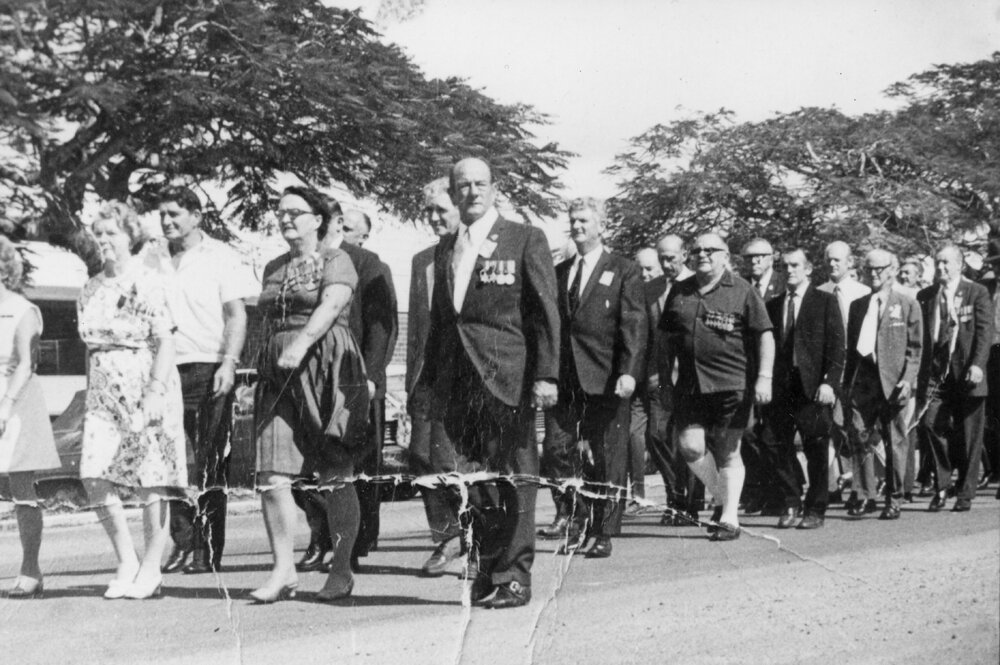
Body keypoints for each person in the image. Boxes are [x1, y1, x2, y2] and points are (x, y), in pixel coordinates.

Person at [418, 157, 560, 609]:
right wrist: (427, 384)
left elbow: (544, 314)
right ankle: (486, 567)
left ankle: (514, 576)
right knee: (471, 480)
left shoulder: (524, 238)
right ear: (454, 193)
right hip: (459, 381)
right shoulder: (446, 248)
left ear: (495, 189)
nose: (473, 192)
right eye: (464, 186)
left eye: (481, 184)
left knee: (516, 475)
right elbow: (445, 323)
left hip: (507, 379)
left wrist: (546, 375)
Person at [251, 185, 369, 603]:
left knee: (335, 473)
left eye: (294, 212)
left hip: (326, 364)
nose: (284, 219)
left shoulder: (337, 259)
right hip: (278, 373)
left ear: (317, 219)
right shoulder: (274, 266)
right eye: (280, 212)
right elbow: (264, 320)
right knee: (271, 474)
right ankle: (283, 569)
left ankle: (340, 569)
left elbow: (333, 305)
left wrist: (300, 344)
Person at [77, 201, 187, 600]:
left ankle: (152, 567)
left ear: (130, 236)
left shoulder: (148, 279)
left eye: (112, 233)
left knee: (150, 479)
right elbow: (91, 347)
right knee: (93, 475)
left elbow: (165, 340)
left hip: (146, 383)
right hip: (104, 391)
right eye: (99, 233)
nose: (104, 240)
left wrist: (156, 391)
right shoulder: (90, 287)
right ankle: (126, 560)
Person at [292, 202, 396, 574]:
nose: (342, 231)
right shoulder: (307, 259)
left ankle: (349, 548)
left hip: (355, 376)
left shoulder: (368, 264)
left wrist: (371, 375)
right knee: (306, 470)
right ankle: (320, 536)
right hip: (312, 376)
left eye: (350, 228)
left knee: (354, 468)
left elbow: (382, 328)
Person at [157, 186, 256, 576]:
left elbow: (236, 315)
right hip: (164, 369)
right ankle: (183, 542)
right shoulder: (150, 257)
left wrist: (228, 364)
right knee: (169, 462)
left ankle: (208, 549)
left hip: (208, 367)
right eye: (162, 214)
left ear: (196, 216)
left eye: (175, 213)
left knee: (211, 461)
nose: (166, 221)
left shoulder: (221, 257)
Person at [542, 198, 645, 559]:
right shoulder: (560, 271)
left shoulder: (623, 269)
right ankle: (578, 516)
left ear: (602, 225)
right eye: (573, 220)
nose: (577, 226)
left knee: (607, 457)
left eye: (584, 220)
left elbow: (633, 325)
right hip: (566, 380)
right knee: (557, 451)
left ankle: (604, 530)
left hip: (606, 379)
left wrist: (629, 372)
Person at [660, 233, 774, 541]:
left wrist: (764, 377)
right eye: (696, 250)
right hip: (690, 386)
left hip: (731, 384)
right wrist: (663, 381)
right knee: (690, 446)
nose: (703, 255)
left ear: (726, 256)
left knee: (727, 449)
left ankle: (730, 518)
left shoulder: (743, 290)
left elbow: (764, 335)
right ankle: (724, 497)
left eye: (711, 250)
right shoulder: (680, 291)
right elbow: (666, 340)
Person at [759, 248, 844, 529]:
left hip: (813, 388)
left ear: (808, 269)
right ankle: (791, 500)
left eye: (795, 265)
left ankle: (816, 508)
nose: (789, 271)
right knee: (772, 442)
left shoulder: (824, 301)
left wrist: (829, 383)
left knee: (816, 447)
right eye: (785, 267)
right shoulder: (772, 305)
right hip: (781, 388)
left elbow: (837, 347)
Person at [407, 178, 462, 576]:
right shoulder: (421, 260)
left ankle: (479, 541)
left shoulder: (479, 253)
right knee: (422, 456)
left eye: (441, 209)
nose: (433, 217)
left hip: (470, 375)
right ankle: (446, 538)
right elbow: (417, 329)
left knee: (459, 460)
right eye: (428, 211)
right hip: (428, 376)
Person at [0, 238, 61, 598]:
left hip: (16, 398)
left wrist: (6, 404)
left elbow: (26, 362)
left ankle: (30, 569)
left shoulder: (22, 309)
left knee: (22, 487)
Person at [843, 249, 922, 520]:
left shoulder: (907, 303)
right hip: (863, 382)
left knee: (894, 441)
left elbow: (916, 348)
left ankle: (895, 497)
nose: (873, 274)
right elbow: (852, 351)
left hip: (893, 382)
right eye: (869, 269)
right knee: (859, 436)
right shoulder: (858, 305)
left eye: (879, 268)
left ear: (892, 269)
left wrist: (908, 380)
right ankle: (865, 495)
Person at [917, 244, 993, 512]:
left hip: (967, 372)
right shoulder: (926, 296)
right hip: (938, 374)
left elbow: (984, 333)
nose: (941, 268)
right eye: (937, 263)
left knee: (971, 433)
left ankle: (965, 492)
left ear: (960, 264)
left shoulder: (976, 292)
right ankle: (942, 483)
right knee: (929, 424)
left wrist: (978, 364)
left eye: (946, 263)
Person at [647, 235, 703, 526]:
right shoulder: (653, 288)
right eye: (662, 258)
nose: (666, 264)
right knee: (656, 435)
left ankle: (689, 505)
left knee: (689, 442)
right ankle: (675, 496)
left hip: (693, 378)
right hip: (660, 375)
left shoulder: (698, 285)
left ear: (684, 255)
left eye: (671, 257)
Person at [817, 241, 871, 510]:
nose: (832, 264)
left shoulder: (864, 293)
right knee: (829, 428)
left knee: (856, 429)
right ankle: (830, 485)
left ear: (850, 262)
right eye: (828, 260)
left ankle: (863, 490)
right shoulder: (818, 293)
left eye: (838, 260)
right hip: (828, 371)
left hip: (857, 370)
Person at [737, 238, 784, 514]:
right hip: (747, 370)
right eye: (749, 258)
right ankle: (757, 491)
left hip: (775, 373)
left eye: (759, 257)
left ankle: (779, 492)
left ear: (771, 257)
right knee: (747, 432)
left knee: (772, 434)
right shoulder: (742, 287)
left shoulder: (781, 284)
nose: (754, 262)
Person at [622, 247, 663, 515]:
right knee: (633, 435)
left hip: (663, 378)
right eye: (641, 269)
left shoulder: (670, 293)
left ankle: (686, 497)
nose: (646, 274)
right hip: (635, 377)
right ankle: (638, 494)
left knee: (663, 436)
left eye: (651, 269)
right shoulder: (630, 294)